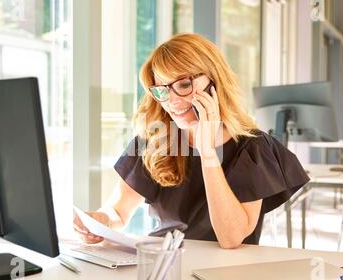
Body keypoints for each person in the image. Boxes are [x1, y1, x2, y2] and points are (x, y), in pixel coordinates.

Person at [73, 33, 310, 248]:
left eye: (184, 84)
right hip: (163, 264)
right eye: (162, 90)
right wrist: (99, 222)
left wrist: (207, 151)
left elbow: (231, 238)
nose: (172, 100)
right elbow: (118, 211)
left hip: (222, 274)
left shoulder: (253, 147)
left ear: (214, 82)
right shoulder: (153, 138)